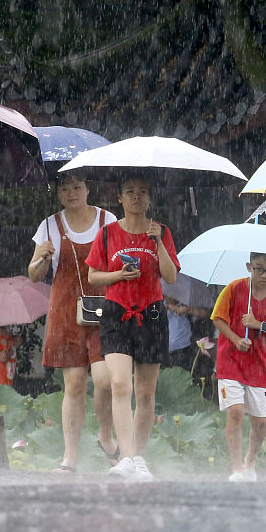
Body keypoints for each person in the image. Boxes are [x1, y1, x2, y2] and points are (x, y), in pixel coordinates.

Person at [85, 175, 179, 482]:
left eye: (142, 192)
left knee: (147, 392)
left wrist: (157, 243)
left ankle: (138, 455)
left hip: (151, 314)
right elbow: (93, 277)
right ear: (120, 199)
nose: (136, 197)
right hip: (116, 314)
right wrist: (118, 276)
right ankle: (125, 455)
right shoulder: (107, 233)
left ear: (150, 198)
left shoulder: (161, 231)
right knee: (120, 383)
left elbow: (171, 276)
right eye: (130, 192)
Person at [28, 173, 118, 472]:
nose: (71, 193)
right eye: (64, 189)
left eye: (77, 187)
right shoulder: (49, 226)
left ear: (88, 188)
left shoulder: (109, 221)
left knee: (105, 380)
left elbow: (121, 264)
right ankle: (69, 457)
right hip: (66, 311)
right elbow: (34, 274)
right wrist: (41, 258)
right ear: (58, 194)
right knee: (75, 384)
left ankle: (106, 436)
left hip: (105, 310)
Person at [211, 253, 266, 482]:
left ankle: (250, 460)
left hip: (258, 365)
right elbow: (218, 318)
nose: (264, 275)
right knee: (235, 412)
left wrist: (260, 325)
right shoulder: (235, 288)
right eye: (259, 269)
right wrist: (236, 339)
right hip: (231, 361)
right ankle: (237, 468)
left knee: (260, 422)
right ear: (249, 266)